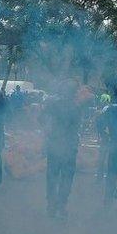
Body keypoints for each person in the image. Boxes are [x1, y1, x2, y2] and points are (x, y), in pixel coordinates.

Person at [43, 81, 85, 220]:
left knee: (52, 177)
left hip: (54, 145)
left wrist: (48, 131)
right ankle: (61, 205)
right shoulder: (76, 107)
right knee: (66, 178)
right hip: (69, 147)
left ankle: (51, 206)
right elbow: (78, 126)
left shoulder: (52, 104)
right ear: (73, 92)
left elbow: (41, 119)